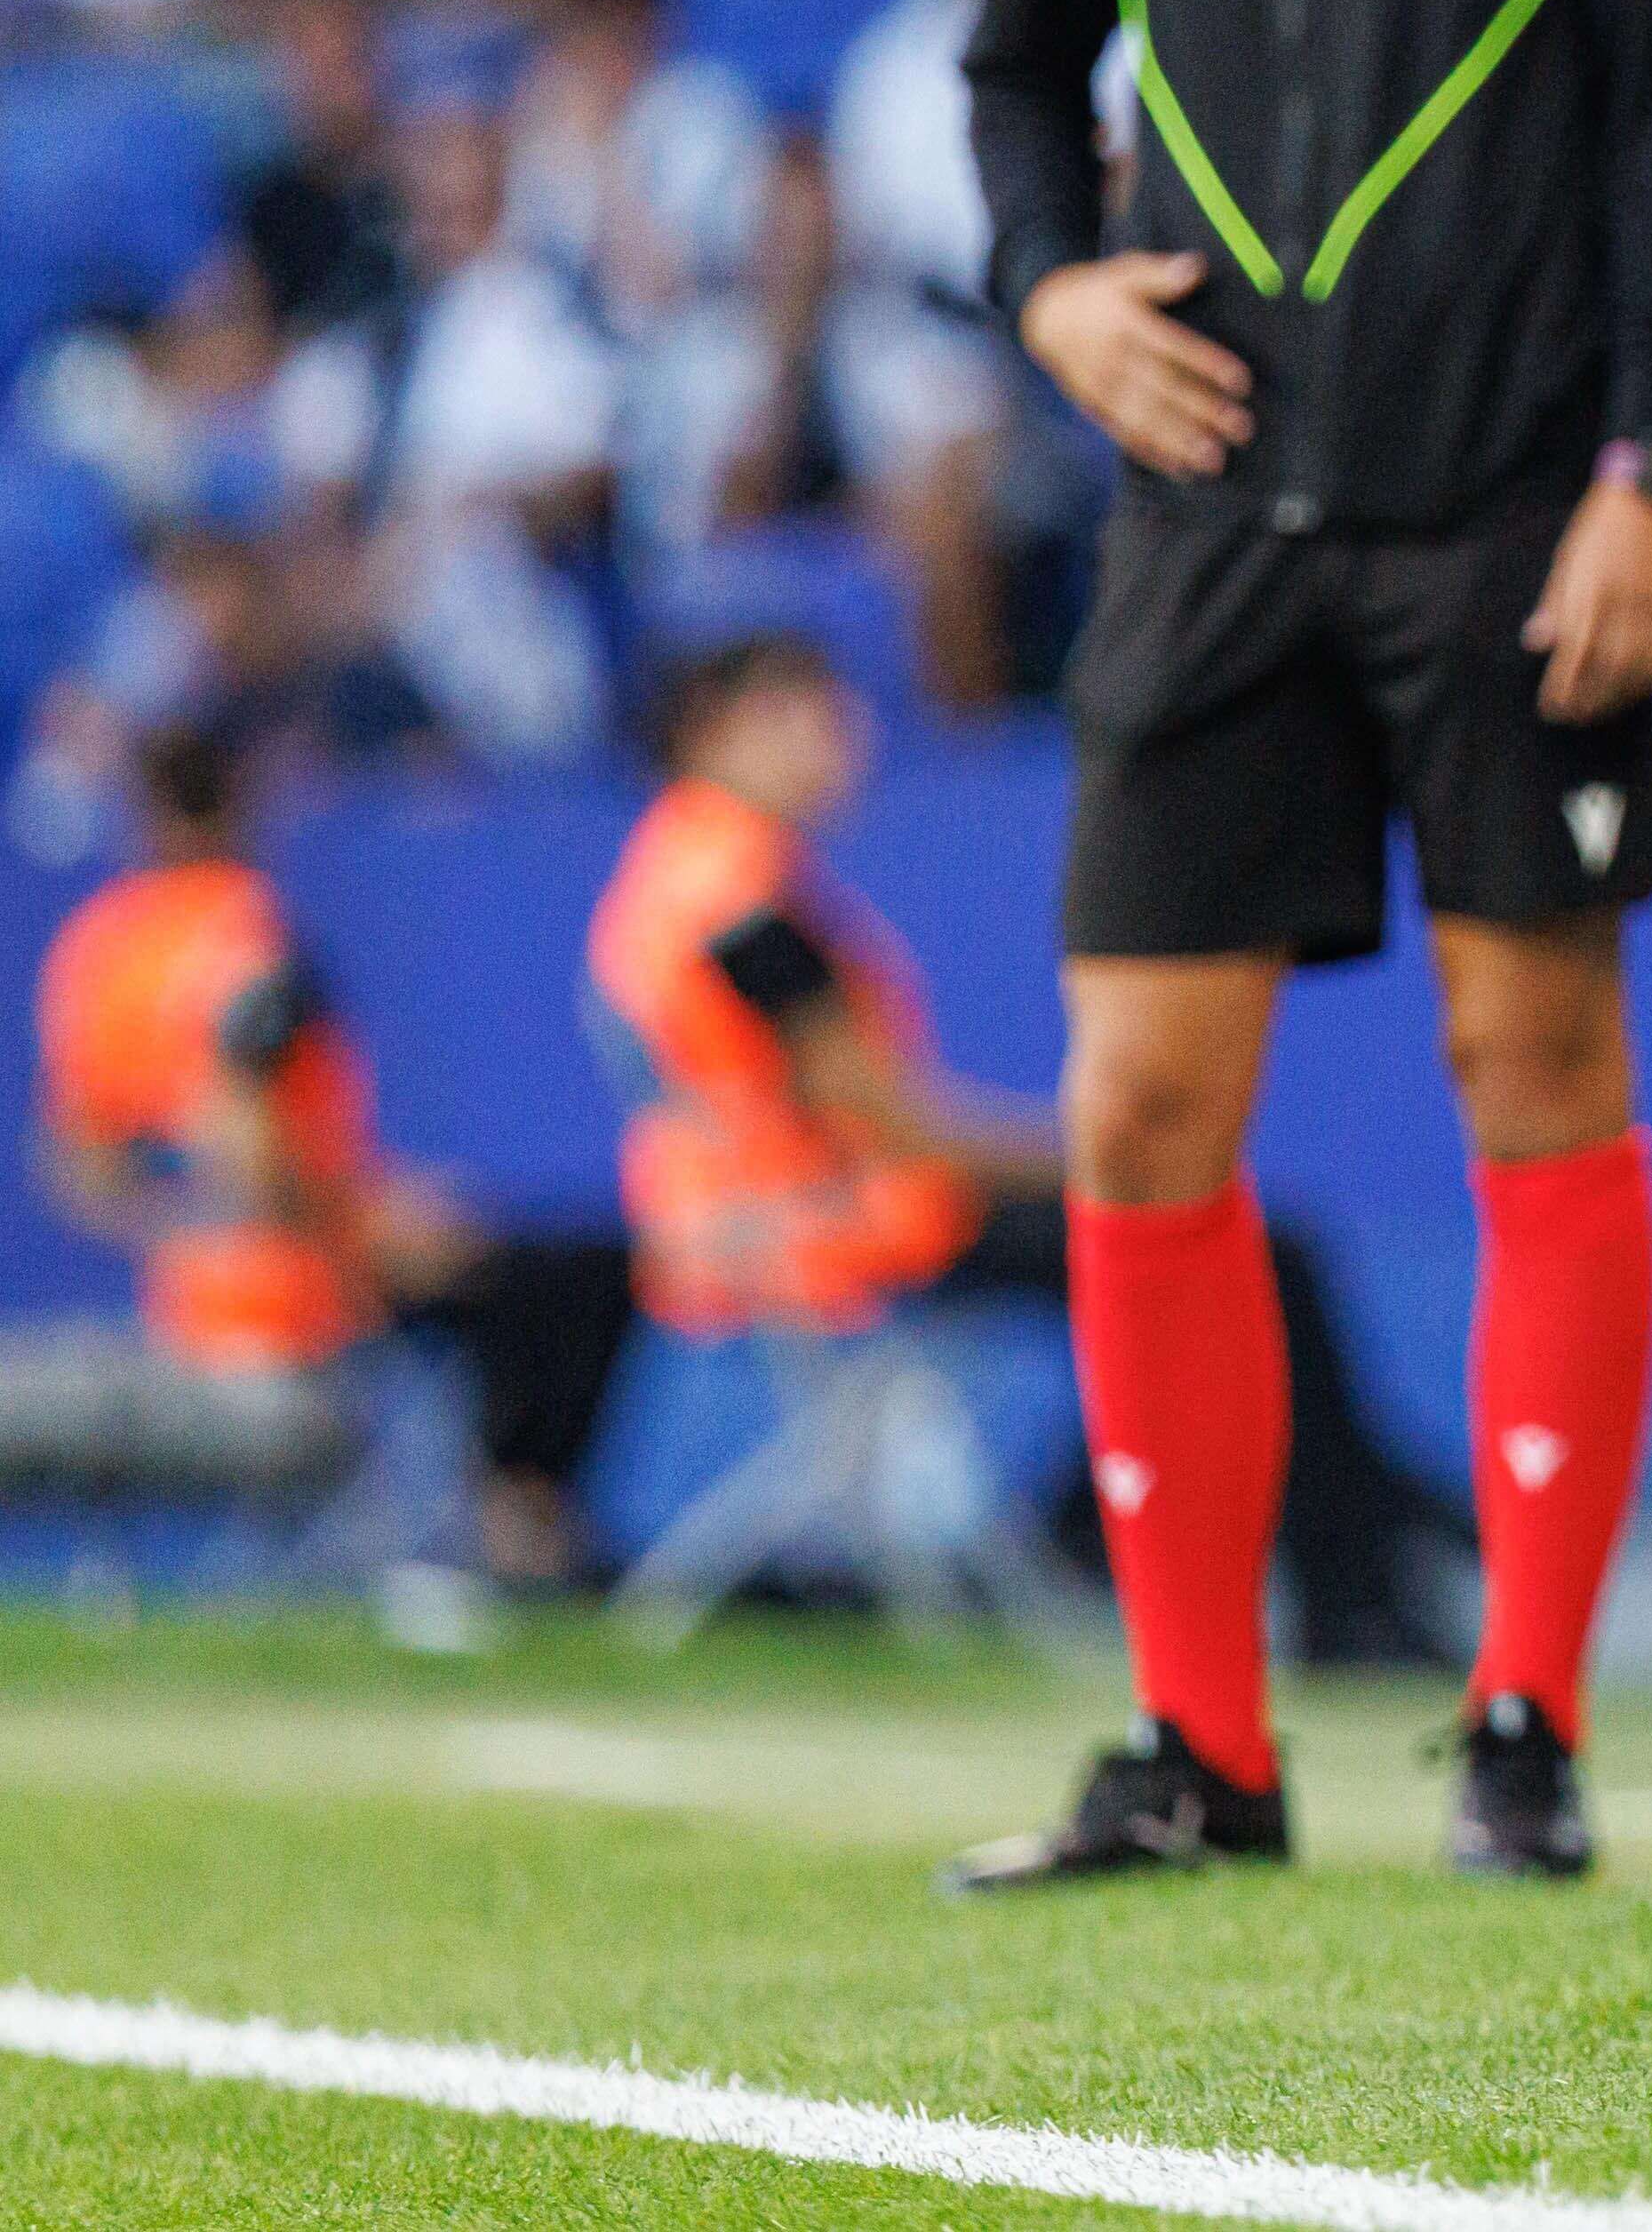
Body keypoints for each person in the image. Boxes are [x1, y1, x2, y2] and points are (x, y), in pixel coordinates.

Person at [946, 0, 1652, 1893]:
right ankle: (1202, 1748)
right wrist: (1050, 288)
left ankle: (1525, 1717)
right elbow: (1010, 70)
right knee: (1134, 1103)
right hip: (1206, 524)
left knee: (1535, 1068)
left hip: (1514, 510)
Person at [592, 631, 1446, 1662]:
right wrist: (1093, 1150)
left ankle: (1272, 1520)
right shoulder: (736, 902)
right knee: (1231, 1249)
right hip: (839, 1228)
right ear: (706, 730)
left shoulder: (685, 871)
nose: (836, 740)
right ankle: (1344, 1577)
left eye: (836, 713)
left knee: (1206, 1254)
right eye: (794, 714)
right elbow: (888, 1118)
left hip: (795, 1217)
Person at [28, 719, 641, 1594]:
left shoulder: (99, 950)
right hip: (303, 1298)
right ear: (247, 798)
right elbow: (248, 1144)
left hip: (187, 1297)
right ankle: (518, 1529)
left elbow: (82, 1166)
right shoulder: (243, 938)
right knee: (570, 1278)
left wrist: (185, 1232)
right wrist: (364, 1222)